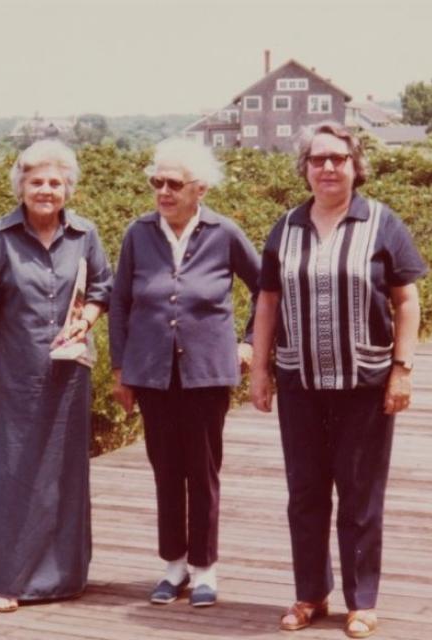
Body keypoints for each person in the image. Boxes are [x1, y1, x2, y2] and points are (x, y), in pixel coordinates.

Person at [249, 121, 426, 638]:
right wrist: (260, 370)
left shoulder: (382, 223)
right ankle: (310, 594)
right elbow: (267, 301)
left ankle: (361, 599)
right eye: (318, 159)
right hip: (299, 383)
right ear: (305, 168)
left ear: (355, 167)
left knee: (359, 494)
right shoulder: (285, 228)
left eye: (338, 159)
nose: (328, 167)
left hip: (364, 385)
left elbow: (406, 299)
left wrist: (402, 369)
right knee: (304, 492)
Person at [109, 137, 260, 608]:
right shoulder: (138, 233)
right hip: (152, 374)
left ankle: (206, 570)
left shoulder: (224, 232)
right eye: (157, 182)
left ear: (200, 189)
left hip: (206, 374)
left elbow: (265, 288)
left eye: (174, 183)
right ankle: (173, 567)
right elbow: (120, 304)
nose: (163, 191)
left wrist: (251, 341)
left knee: (203, 470)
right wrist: (121, 370)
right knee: (165, 470)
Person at [0, 140, 112, 612]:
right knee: (14, 469)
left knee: (63, 472)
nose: (47, 190)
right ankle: (9, 579)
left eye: (55, 182)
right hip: (16, 371)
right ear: (21, 186)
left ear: (68, 187)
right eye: (37, 182)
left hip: (70, 373)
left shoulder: (85, 233)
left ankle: (63, 578)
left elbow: (103, 288)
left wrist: (85, 320)